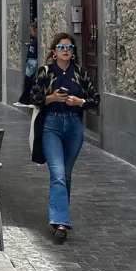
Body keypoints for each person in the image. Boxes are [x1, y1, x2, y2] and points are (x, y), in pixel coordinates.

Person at [30, 32, 99, 242]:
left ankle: (61, 216)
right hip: (51, 125)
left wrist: (80, 102)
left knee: (66, 174)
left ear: (73, 52)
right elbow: (33, 97)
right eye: (61, 47)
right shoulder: (45, 72)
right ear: (54, 51)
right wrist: (51, 98)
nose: (65, 50)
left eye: (69, 47)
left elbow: (95, 98)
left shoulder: (79, 73)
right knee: (58, 173)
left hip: (74, 126)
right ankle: (60, 223)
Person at [15, 23, 39, 107]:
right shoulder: (33, 40)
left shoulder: (37, 40)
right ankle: (25, 101)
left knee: (30, 82)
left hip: (33, 62)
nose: (30, 32)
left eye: (31, 30)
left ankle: (29, 101)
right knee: (27, 81)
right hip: (30, 61)